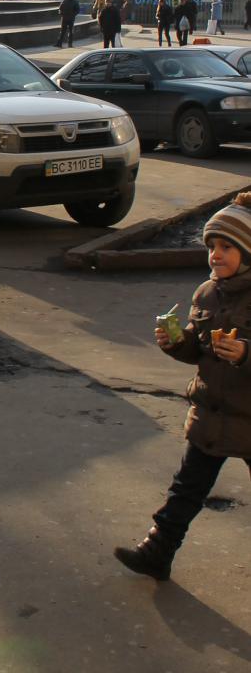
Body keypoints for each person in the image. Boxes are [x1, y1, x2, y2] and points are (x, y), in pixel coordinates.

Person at [115, 195, 251, 582]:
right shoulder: (206, 293)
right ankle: (157, 552)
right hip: (210, 414)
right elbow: (197, 350)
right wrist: (177, 342)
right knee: (185, 490)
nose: (215, 255)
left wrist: (245, 353)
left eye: (226, 247)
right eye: (211, 246)